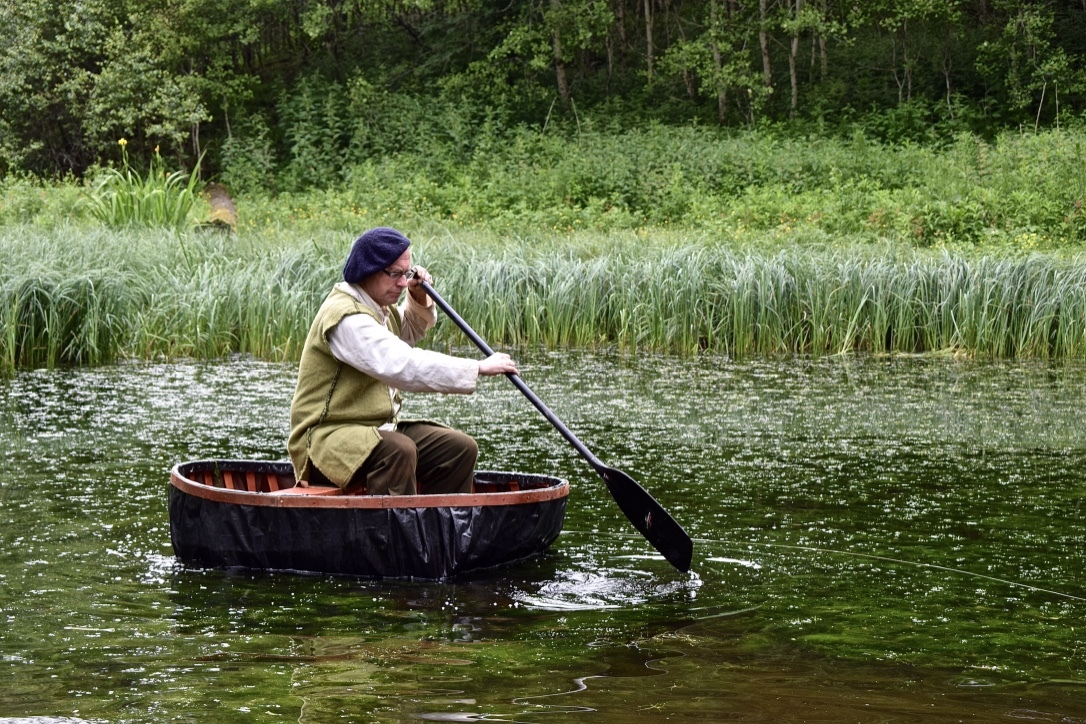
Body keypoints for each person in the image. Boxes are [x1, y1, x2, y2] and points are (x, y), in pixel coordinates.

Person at [287, 227, 517, 495]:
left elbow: (405, 332)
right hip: (324, 441)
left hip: (375, 432)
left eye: (405, 274)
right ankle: (393, 536)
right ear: (367, 270)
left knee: (459, 448)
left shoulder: (377, 308)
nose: (401, 282)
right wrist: (477, 367)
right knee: (398, 449)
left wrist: (418, 297)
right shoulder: (347, 319)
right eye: (394, 274)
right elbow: (401, 364)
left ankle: (442, 532)